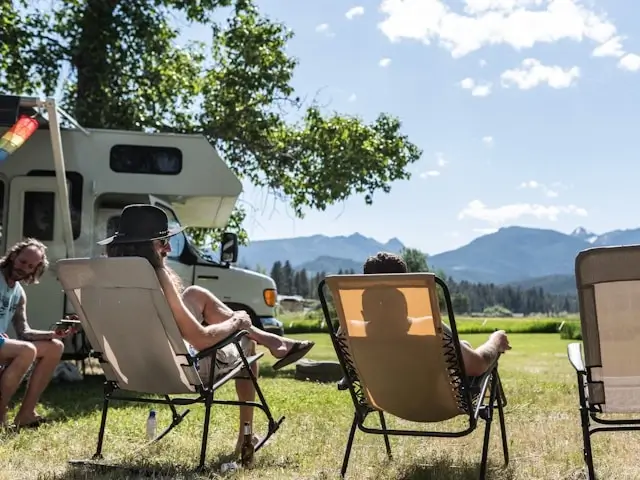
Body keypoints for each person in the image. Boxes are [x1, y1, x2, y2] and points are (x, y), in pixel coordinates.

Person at [98, 204, 315, 455]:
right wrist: (237, 322)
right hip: (175, 371)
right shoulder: (155, 276)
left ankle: (274, 341)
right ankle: (246, 436)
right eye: (163, 242)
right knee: (245, 342)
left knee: (194, 294)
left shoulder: (105, 278)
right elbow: (201, 340)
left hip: (127, 368)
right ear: (146, 246)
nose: (168, 248)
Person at [361, 252, 511, 376]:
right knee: (464, 352)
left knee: (463, 346)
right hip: (432, 405)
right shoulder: (429, 327)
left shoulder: (348, 331)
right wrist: (495, 341)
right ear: (404, 285)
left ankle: (463, 347)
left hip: (382, 399)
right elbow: (477, 365)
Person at [0, 238, 78, 429]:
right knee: (26, 351)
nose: (24, 268)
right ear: (13, 256)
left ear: (35, 270)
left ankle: (26, 414)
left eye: (30, 266)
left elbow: (24, 332)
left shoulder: (18, 293)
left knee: (54, 348)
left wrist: (54, 334)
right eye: (22, 261)